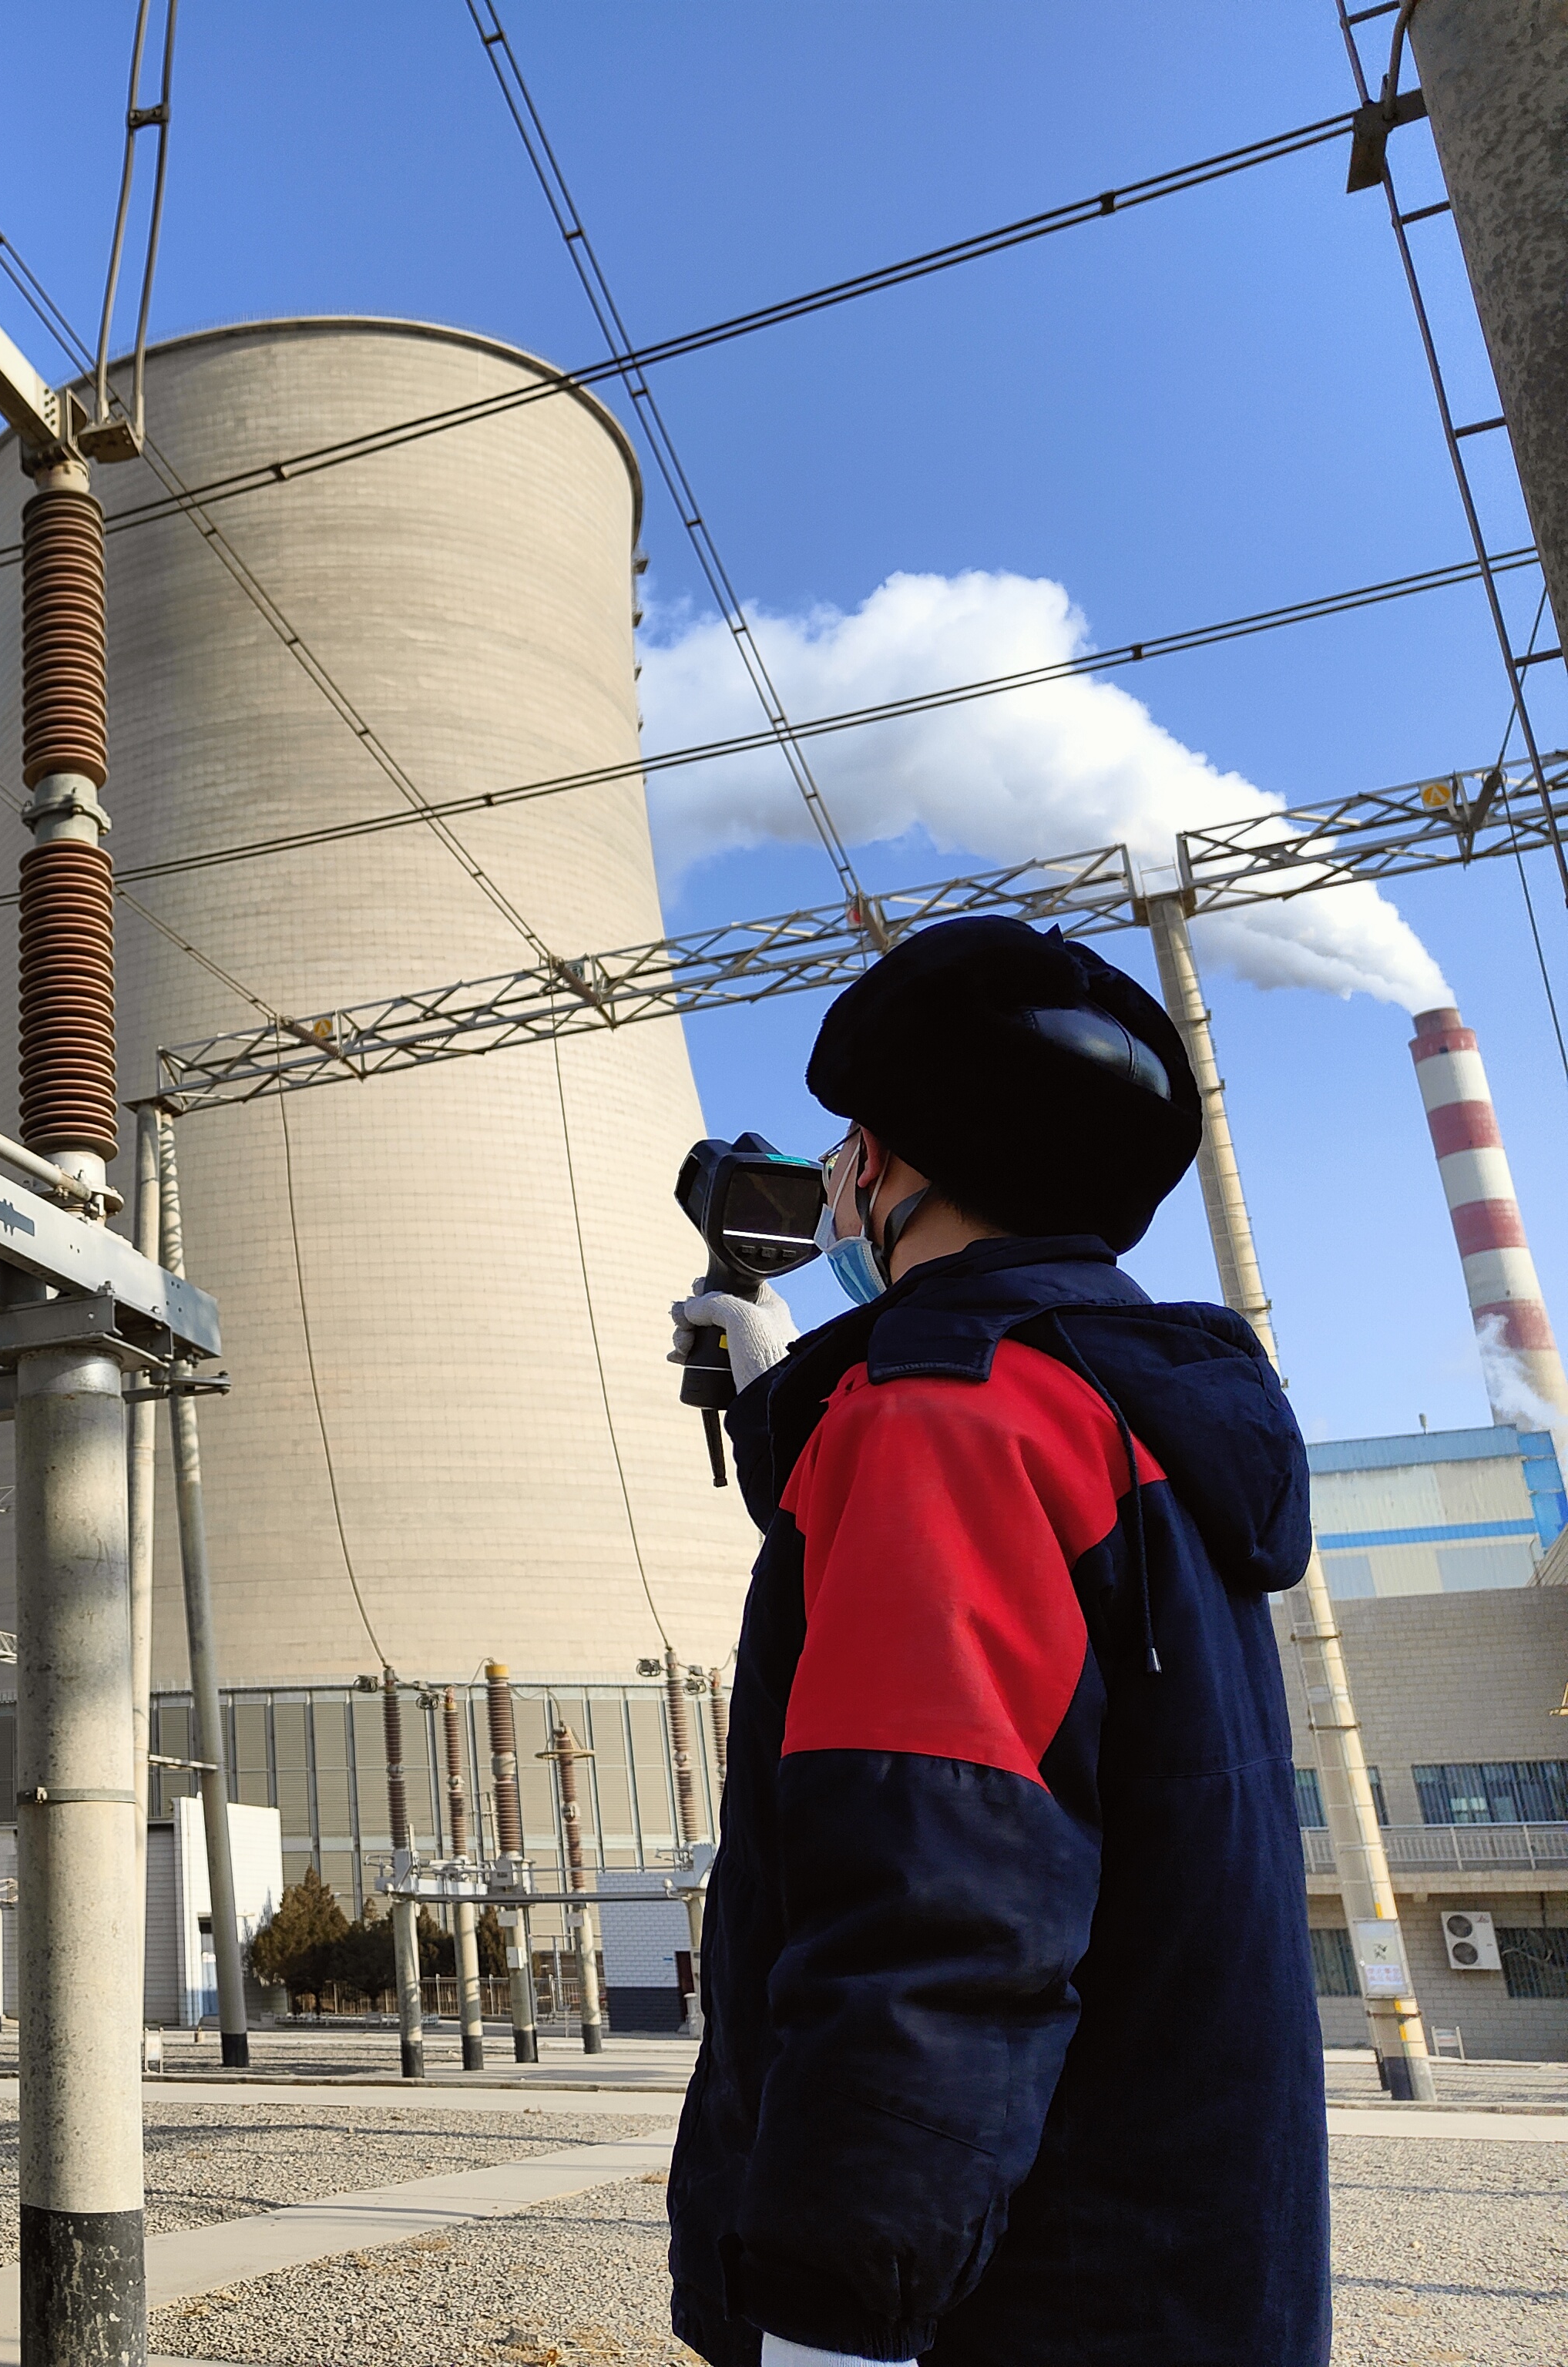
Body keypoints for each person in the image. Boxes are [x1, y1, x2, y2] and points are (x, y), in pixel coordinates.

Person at [663, 916, 1325, 2367]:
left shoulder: (946, 1421)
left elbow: (936, 1901)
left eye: (851, 1148)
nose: (838, 1182)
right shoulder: (1139, 1411)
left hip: (1011, 2305)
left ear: (892, 1170)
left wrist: (833, 2323)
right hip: (1185, 2277)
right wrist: (794, 1409)